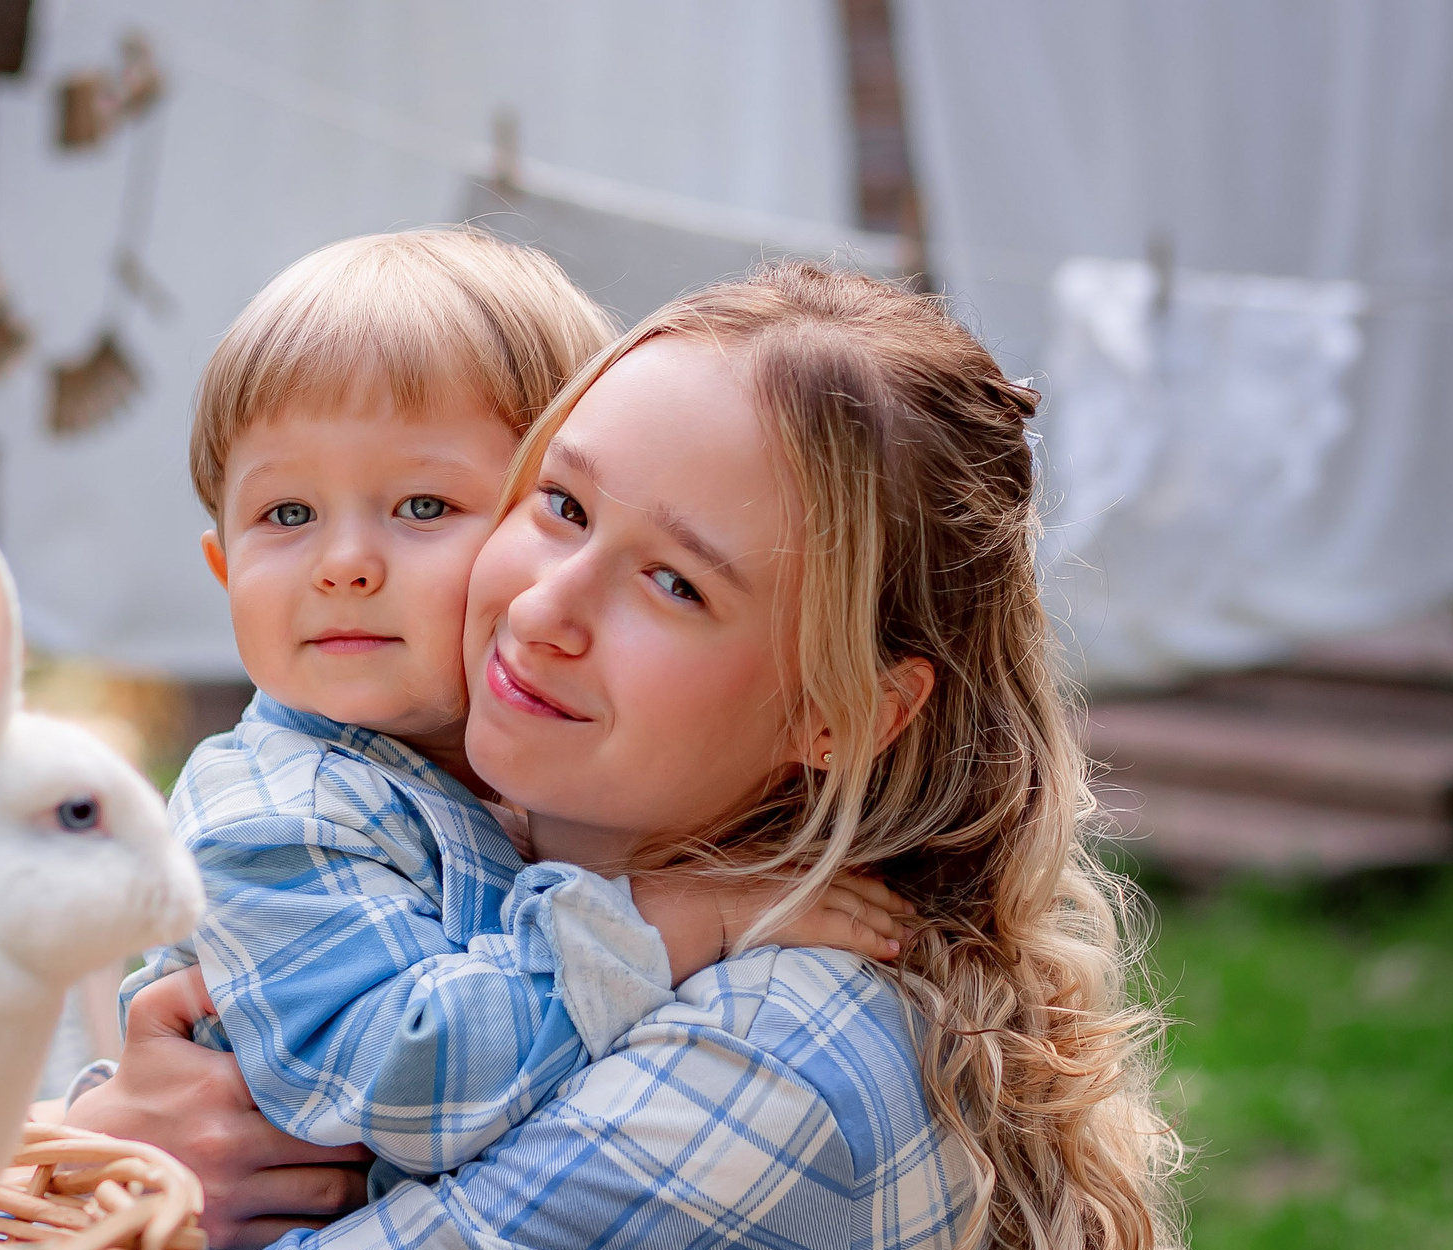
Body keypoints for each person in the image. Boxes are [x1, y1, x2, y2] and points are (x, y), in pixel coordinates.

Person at [75, 261, 1314, 1250]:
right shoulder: (447, 857)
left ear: (835, 708)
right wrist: (123, 1130)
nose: (544, 606)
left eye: (674, 580)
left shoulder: (785, 1050)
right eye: (560, 504)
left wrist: (91, 1190)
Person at [105, 229, 905, 1184]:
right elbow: (409, 1079)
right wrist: (676, 922)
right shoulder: (275, 813)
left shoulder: (513, 784)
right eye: (287, 515)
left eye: (423, 506)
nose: (344, 563)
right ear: (223, 568)